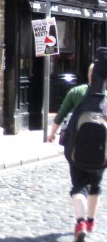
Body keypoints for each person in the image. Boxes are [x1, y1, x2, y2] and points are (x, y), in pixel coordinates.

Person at [48, 63, 105, 241]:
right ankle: (90, 221)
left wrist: (52, 134)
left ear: (89, 76)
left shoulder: (76, 92)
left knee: (79, 187)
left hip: (76, 149)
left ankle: (80, 222)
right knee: (95, 186)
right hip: (101, 152)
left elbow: (61, 114)